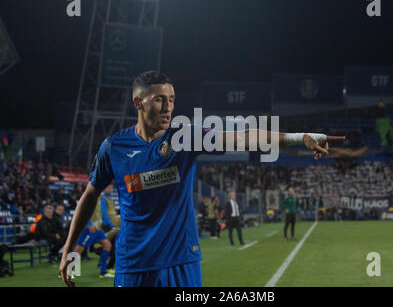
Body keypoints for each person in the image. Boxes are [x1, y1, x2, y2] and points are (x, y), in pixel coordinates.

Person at [59, 70, 345, 287]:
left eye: (171, 99)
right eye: (160, 100)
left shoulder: (185, 138)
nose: (168, 107)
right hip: (132, 265)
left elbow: (244, 137)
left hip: (181, 262)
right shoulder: (114, 147)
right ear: (138, 102)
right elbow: (90, 195)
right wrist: (70, 248)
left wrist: (299, 138)